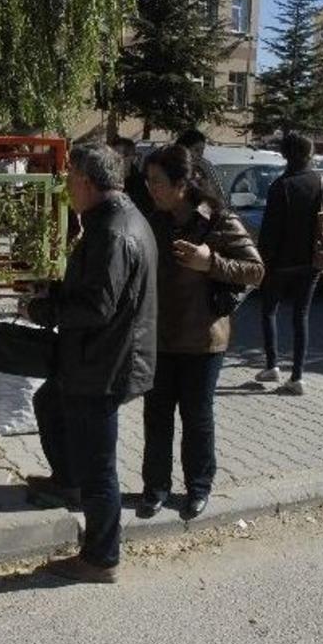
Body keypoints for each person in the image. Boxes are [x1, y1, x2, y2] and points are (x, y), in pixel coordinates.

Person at [23, 143, 158, 584]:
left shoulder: (114, 231)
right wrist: (56, 291)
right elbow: (101, 292)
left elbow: (98, 308)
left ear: (84, 180)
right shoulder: (114, 220)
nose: (66, 188)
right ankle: (67, 480)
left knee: (100, 466)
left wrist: (42, 311)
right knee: (49, 402)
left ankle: (101, 558)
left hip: (103, 365)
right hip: (97, 357)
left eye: (68, 180)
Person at [139, 145, 264, 521]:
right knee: (156, 417)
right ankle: (155, 488)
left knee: (196, 419)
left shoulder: (218, 221)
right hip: (159, 338)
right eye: (148, 182)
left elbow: (255, 271)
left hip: (202, 341)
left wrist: (211, 262)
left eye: (158, 182)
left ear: (182, 183)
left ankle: (198, 488)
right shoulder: (153, 220)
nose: (151, 189)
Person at [256, 133, 323, 396]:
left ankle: (272, 365)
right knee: (301, 316)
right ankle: (297, 376)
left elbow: (270, 231)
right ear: (309, 153)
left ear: (286, 155)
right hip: (311, 261)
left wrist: (262, 259)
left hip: (281, 263)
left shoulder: (281, 186)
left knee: (269, 311)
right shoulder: (322, 181)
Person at [109, 136, 155, 217]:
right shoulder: (105, 181)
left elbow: (146, 210)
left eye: (117, 156)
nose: (112, 161)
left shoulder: (142, 184)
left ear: (131, 157)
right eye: (110, 156)